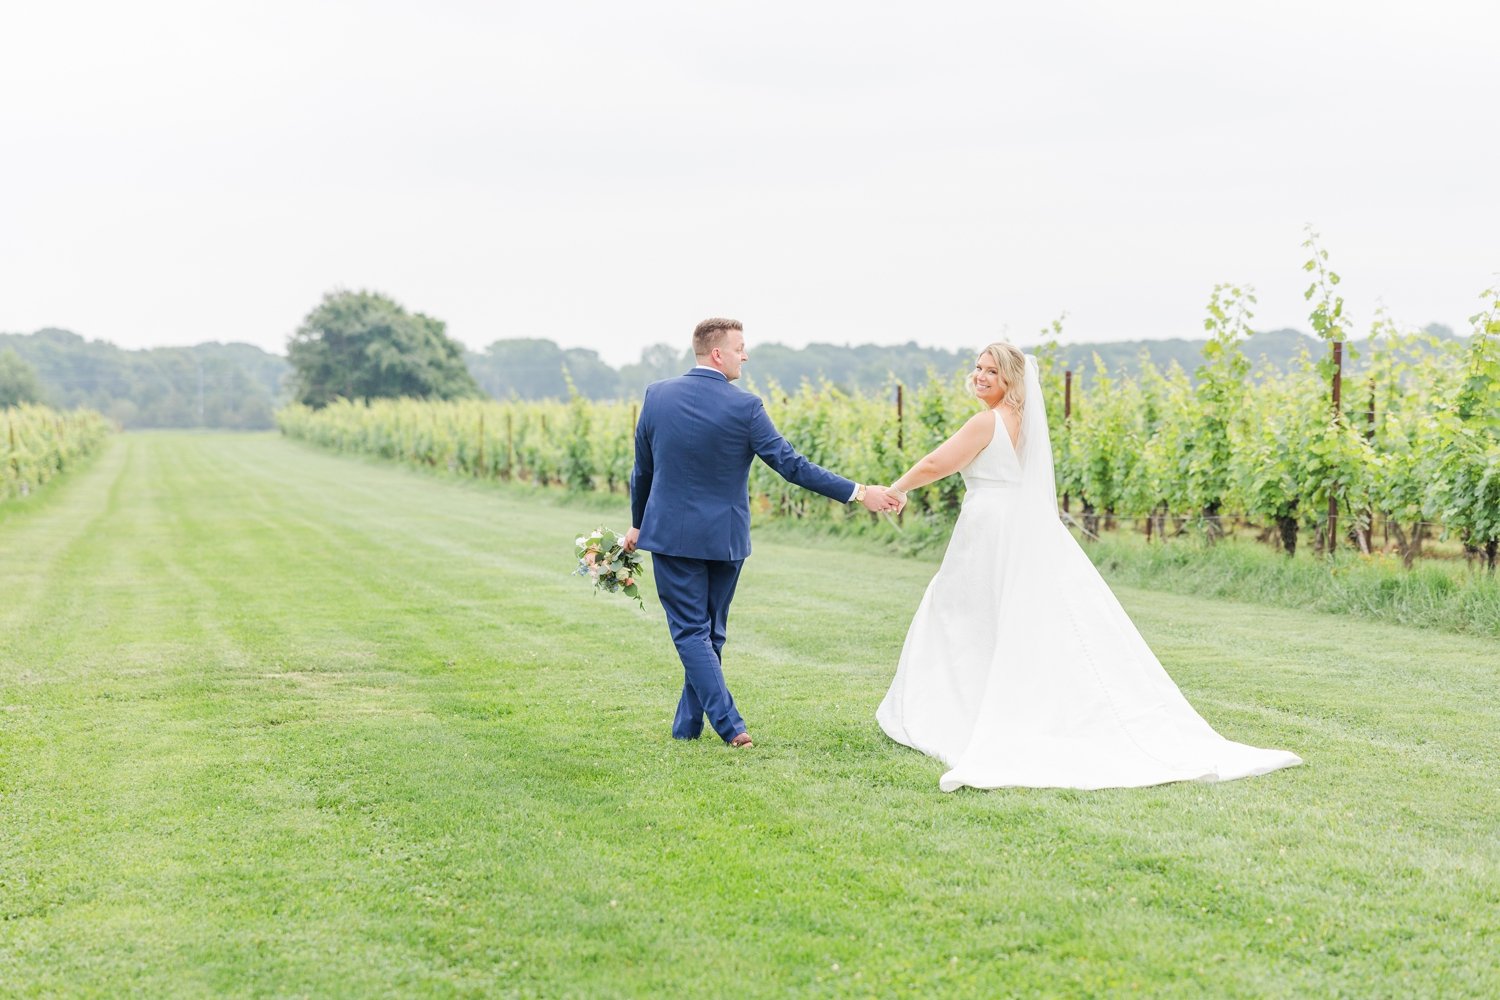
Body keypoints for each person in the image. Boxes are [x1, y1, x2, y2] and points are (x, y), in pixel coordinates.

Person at [877, 342, 1302, 791]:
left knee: (965, 614)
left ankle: (955, 711)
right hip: (1015, 524)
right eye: (978, 368)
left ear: (1010, 381)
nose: (980, 377)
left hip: (992, 529)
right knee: (1003, 616)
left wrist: (897, 489)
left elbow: (937, 463)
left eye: (992, 372)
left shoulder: (987, 422)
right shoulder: (1022, 421)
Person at [625, 318, 900, 749]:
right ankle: (718, 726)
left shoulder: (657, 395)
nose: (745, 355)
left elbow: (642, 468)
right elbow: (793, 466)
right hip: (725, 538)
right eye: (740, 347)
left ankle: (704, 726)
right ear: (718, 353)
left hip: (672, 534)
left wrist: (639, 522)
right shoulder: (746, 407)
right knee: (708, 634)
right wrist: (859, 492)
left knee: (695, 633)